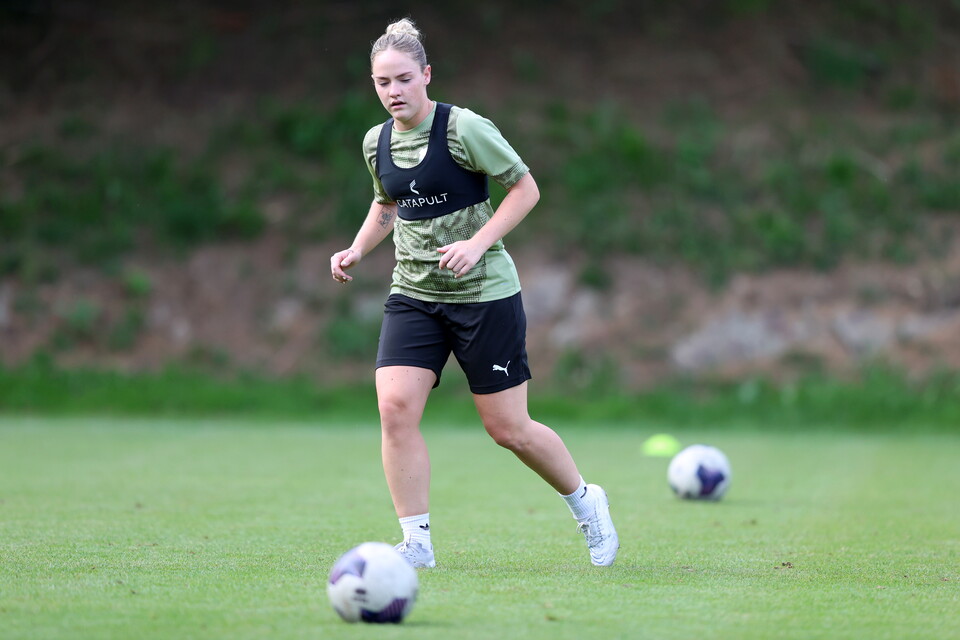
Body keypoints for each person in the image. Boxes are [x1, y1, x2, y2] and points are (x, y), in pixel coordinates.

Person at [329, 18, 618, 568]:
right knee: (394, 409)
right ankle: (416, 543)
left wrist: (477, 243)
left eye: (404, 79)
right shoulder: (377, 141)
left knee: (508, 429)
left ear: (426, 76)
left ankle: (585, 501)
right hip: (413, 293)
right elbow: (387, 205)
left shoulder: (463, 128)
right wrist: (357, 250)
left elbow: (525, 188)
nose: (393, 92)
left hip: (483, 294)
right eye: (382, 83)